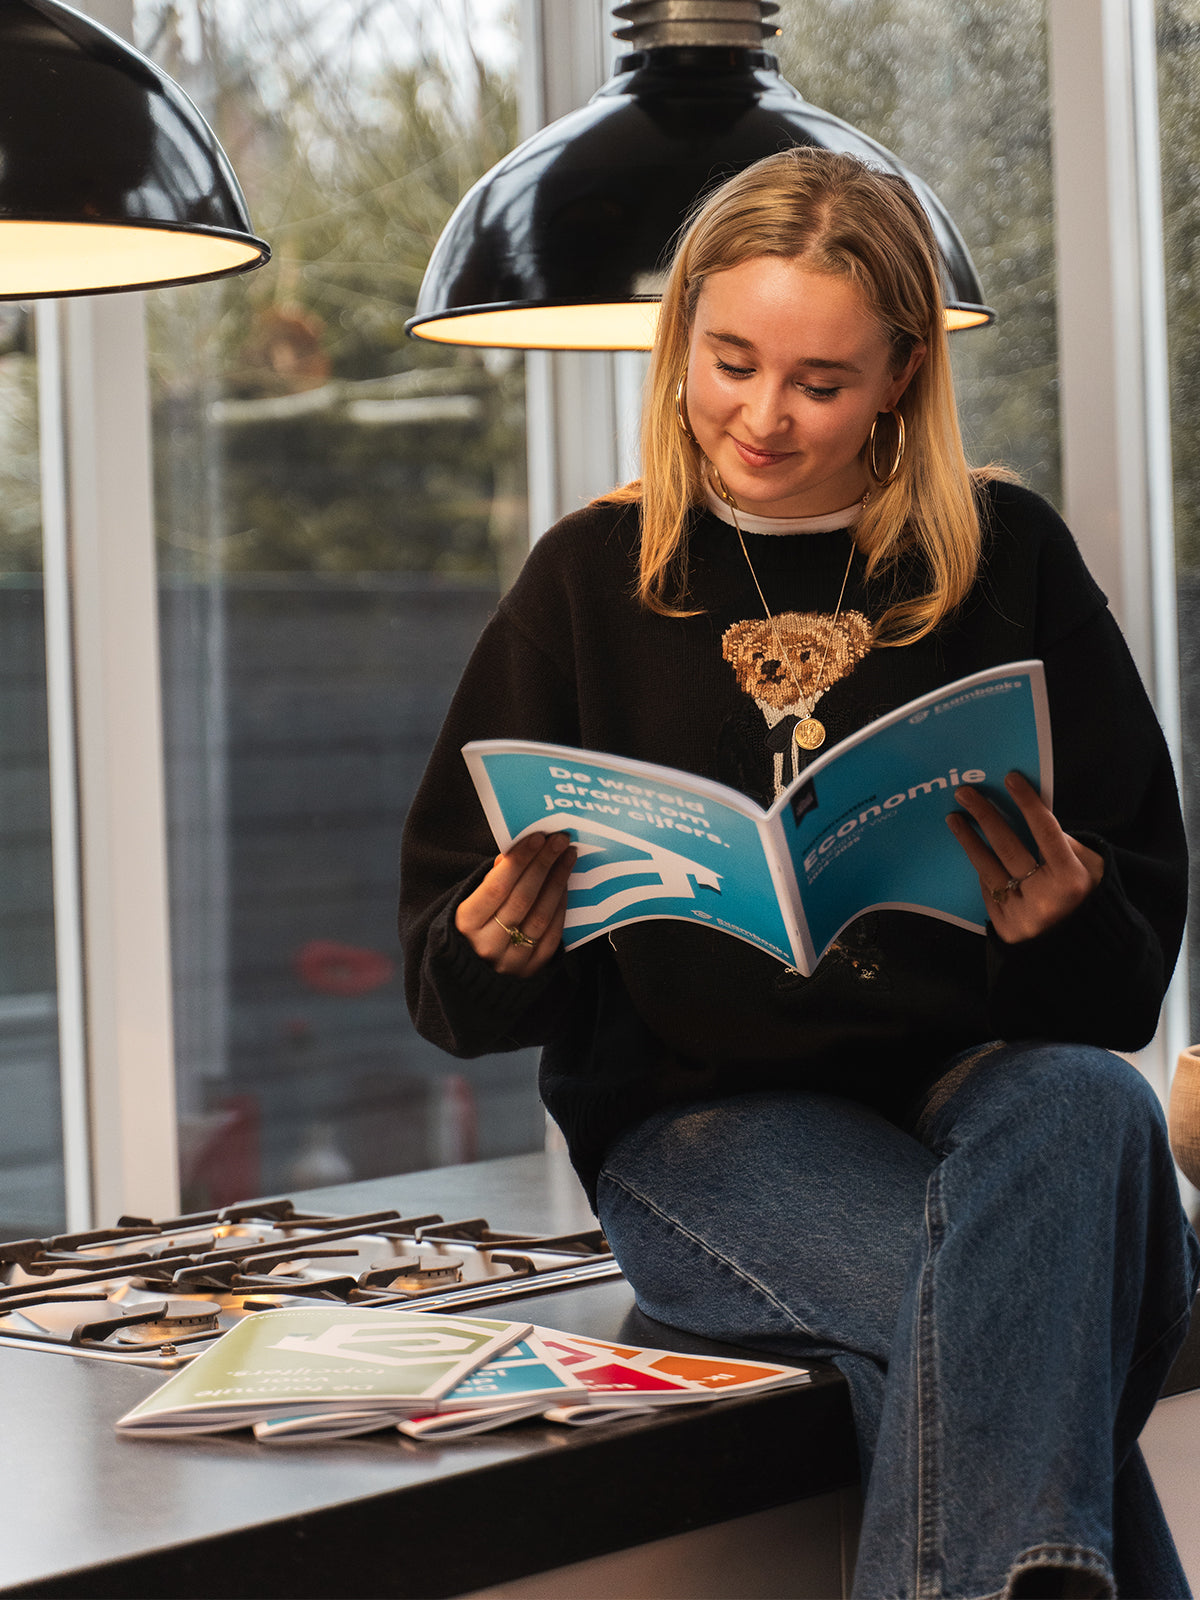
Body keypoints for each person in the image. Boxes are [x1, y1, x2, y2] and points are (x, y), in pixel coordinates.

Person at [399, 148, 1199, 1598]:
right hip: (707, 1126)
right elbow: (443, 981)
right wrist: (491, 947)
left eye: (821, 382)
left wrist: (1070, 912)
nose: (763, 417)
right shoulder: (589, 576)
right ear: (681, 339)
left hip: (988, 1095)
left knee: (1087, 1104)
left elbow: (1127, 978)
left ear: (902, 373)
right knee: (1017, 1313)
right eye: (731, 362)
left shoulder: (1006, 556)